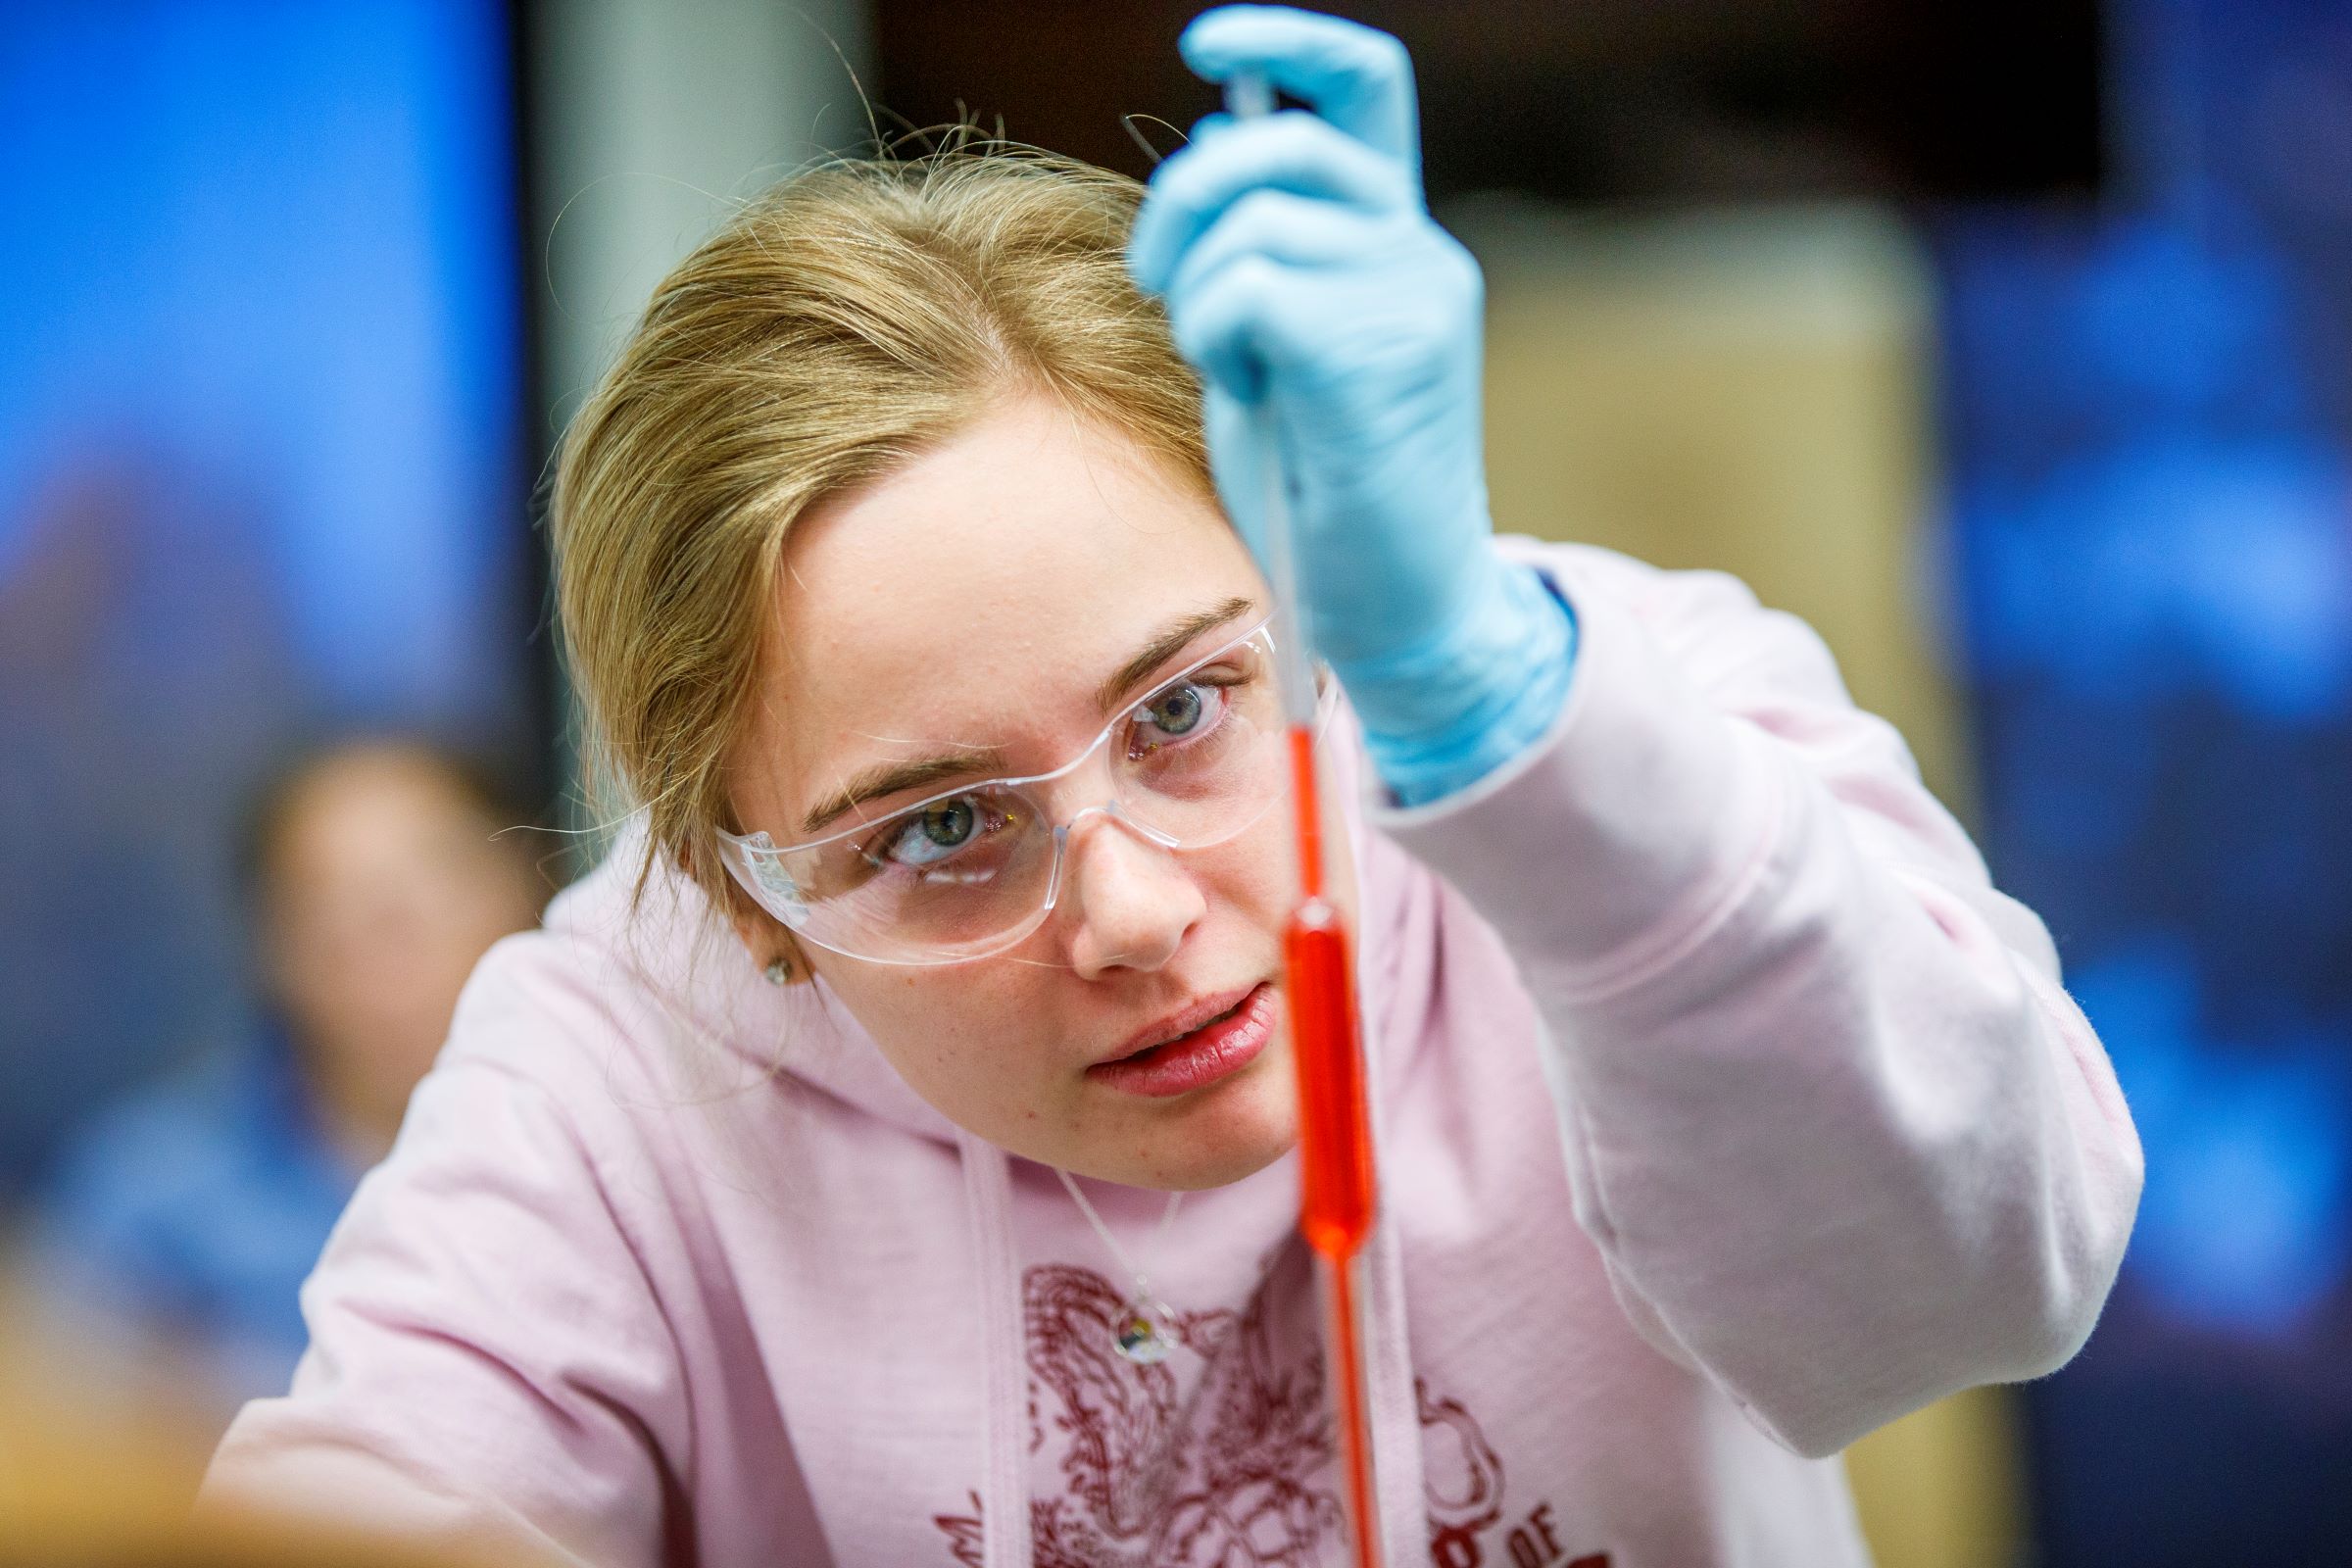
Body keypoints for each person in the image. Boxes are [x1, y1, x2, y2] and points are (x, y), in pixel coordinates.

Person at [204, 9, 2142, 1565]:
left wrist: (1493, 713)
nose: (1133, 910)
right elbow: (366, 1495)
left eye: (1187, 707)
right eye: (941, 827)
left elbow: (1986, 1283)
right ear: (747, 895)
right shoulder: (616, 1070)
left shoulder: (1619, 718)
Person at [22, 740, 549, 1421]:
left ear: (531, 890)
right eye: (334, 914)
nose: (389, 957)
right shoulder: (149, 1196)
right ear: (274, 951)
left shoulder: (607, 1156)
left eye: (423, 901)